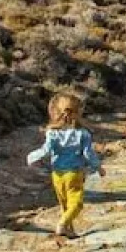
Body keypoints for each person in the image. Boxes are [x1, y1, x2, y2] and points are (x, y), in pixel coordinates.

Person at [25, 92, 101, 238]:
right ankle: (62, 224)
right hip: (74, 173)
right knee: (76, 204)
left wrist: (32, 157)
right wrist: (98, 167)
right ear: (77, 113)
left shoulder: (52, 133)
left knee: (64, 204)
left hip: (57, 174)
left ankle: (69, 229)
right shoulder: (83, 134)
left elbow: (46, 150)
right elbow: (88, 154)